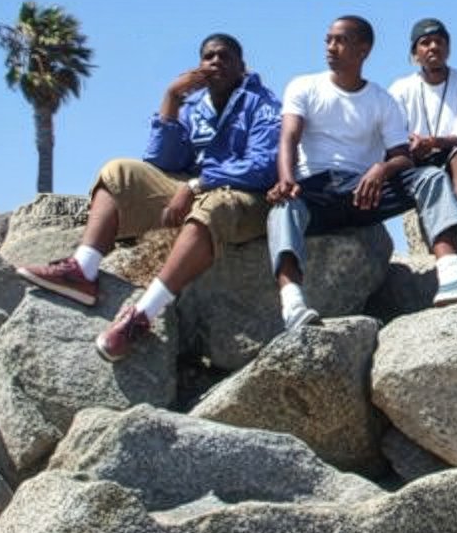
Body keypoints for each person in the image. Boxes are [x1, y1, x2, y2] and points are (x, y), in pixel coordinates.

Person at [16, 33, 281, 361]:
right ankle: (82, 271)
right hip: (194, 189)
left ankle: (142, 316)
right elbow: (161, 162)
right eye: (208, 57)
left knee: (215, 206)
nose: (215, 63)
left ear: (242, 66)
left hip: (245, 198)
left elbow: (262, 167)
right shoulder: (196, 107)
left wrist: (196, 185)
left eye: (225, 57)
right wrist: (171, 99)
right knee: (119, 171)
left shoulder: (261, 103)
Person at [267, 16, 457, 329]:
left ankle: (450, 273)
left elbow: (402, 158)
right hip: (316, 189)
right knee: (283, 207)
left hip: (362, 193)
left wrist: (381, 169)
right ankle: (293, 304)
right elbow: (289, 137)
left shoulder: (381, 100)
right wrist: (286, 179)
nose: (330, 47)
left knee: (429, 176)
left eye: (340, 40)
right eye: (328, 40)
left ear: (364, 49)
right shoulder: (304, 86)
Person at [388, 18, 457, 218]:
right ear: (415, 54)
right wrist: (413, 144)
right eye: (425, 42)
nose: (433, 47)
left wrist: (432, 142)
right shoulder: (400, 89)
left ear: (448, 49)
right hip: (418, 162)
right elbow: (391, 133)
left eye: (439, 41)